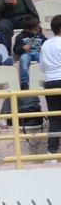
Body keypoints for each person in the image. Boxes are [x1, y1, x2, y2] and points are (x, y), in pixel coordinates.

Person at [40, 15, 61, 155]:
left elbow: (42, 67)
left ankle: (52, 152)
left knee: (54, 119)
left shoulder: (45, 44)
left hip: (50, 82)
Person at [13, 15, 46, 89]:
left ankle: (43, 77)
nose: (37, 30)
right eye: (35, 29)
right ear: (28, 30)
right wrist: (23, 48)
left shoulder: (40, 36)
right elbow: (15, 50)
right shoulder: (20, 37)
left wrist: (43, 47)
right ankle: (25, 82)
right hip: (26, 53)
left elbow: (46, 43)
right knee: (23, 60)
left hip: (37, 53)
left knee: (42, 59)